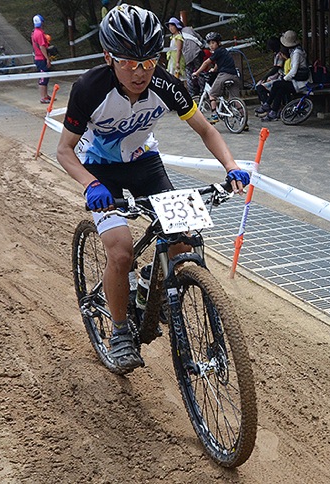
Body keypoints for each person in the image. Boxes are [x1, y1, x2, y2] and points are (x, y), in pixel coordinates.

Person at [55, 5, 251, 371]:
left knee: (183, 241)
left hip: (146, 165)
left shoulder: (166, 85)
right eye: (129, 62)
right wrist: (90, 183)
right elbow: (64, 150)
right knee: (121, 251)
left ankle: (152, 280)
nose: (140, 71)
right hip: (100, 171)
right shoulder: (89, 89)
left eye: (149, 61)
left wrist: (232, 166)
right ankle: (119, 332)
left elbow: (207, 130)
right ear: (108, 57)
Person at [255, 30, 311, 122]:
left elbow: (293, 71)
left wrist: (284, 79)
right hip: (295, 81)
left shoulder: (297, 53)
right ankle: (273, 112)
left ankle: (267, 104)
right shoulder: (295, 51)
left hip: (301, 83)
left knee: (277, 84)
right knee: (280, 90)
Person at [192, 31, 241, 124]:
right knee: (235, 100)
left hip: (224, 75)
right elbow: (218, 64)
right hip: (234, 75)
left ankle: (214, 116)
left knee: (212, 94)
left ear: (218, 43)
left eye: (213, 43)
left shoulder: (217, 51)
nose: (211, 45)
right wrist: (213, 70)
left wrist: (197, 73)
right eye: (209, 43)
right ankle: (243, 121)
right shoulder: (223, 51)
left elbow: (207, 62)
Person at [254, 37, 285, 113]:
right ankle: (266, 104)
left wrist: (266, 76)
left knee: (260, 87)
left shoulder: (279, 55)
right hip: (276, 76)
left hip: (280, 77)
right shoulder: (276, 55)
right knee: (259, 85)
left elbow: (276, 68)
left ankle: (267, 106)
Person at [179, 20, 205, 96]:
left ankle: (191, 93)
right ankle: (203, 91)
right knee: (200, 72)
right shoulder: (189, 29)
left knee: (189, 74)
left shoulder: (177, 34)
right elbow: (199, 38)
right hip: (196, 52)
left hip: (186, 56)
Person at [32, 14, 52, 104]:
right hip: (41, 58)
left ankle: (45, 95)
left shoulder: (35, 32)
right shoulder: (39, 33)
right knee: (43, 78)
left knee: (45, 77)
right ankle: (43, 97)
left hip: (39, 57)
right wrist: (47, 58)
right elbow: (42, 47)